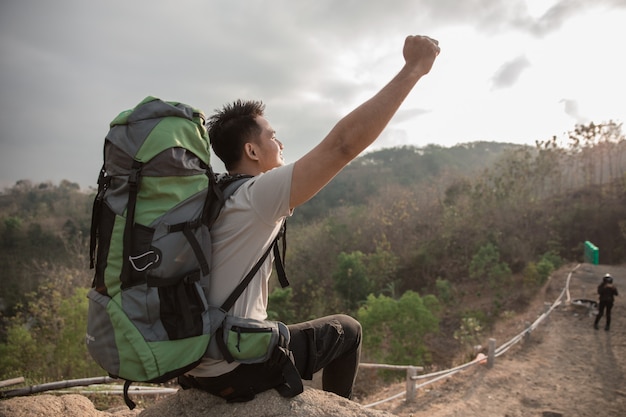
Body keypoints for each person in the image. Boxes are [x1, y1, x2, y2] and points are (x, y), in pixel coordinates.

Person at [179, 35, 441, 401]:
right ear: (251, 150)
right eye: (273, 136)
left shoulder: (216, 197)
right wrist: (413, 70)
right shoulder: (257, 195)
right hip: (233, 366)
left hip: (192, 363)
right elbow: (343, 145)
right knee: (347, 330)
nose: (281, 144)